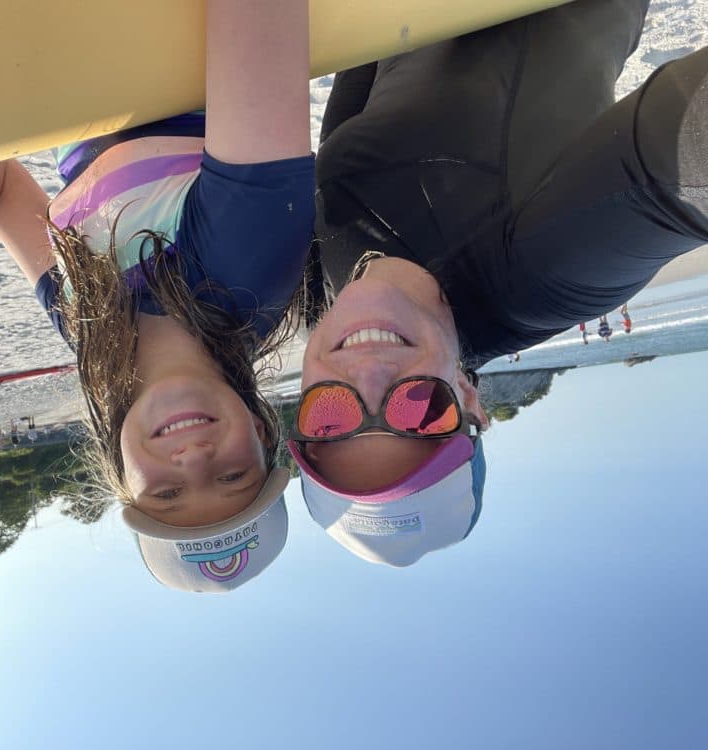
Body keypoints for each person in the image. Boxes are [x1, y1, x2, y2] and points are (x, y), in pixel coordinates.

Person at [0, 0, 313, 591]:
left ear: (122, 473)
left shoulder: (93, 332)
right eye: (231, 476)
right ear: (261, 430)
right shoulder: (250, 260)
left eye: (168, 493)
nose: (195, 459)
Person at [295, 0, 707, 566]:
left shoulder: (328, 275)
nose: (366, 374)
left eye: (331, 419)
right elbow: (675, 165)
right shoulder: (536, 278)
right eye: (418, 411)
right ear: (469, 401)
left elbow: (365, 64)